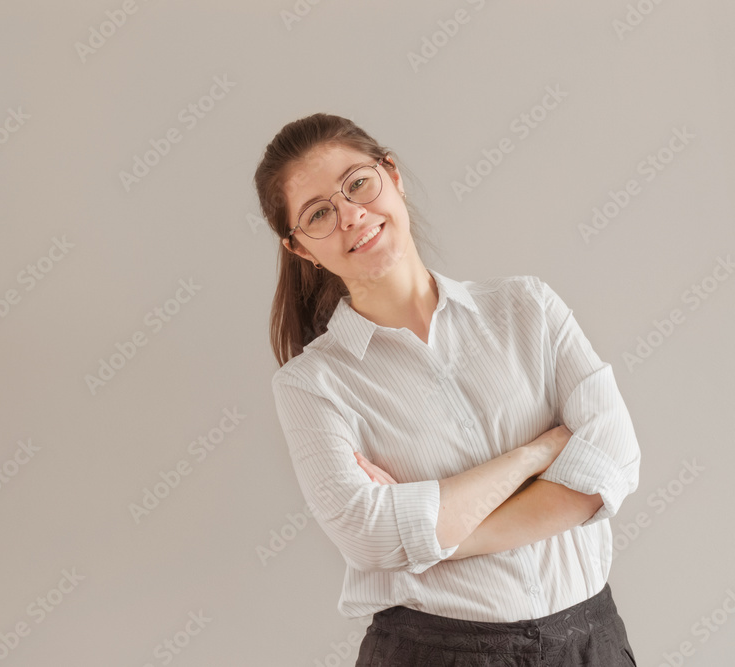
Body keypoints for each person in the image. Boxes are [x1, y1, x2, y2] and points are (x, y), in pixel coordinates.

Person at [255, 113, 641, 666]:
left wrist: (437, 540)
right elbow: (371, 537)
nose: (351, 214)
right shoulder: (311, 385)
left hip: (590, 647)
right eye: (319, 213)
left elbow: (611, 463)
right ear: (301, 249)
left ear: (392, 175)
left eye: (358, 183)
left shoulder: (528, 308)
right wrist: (537, 453)